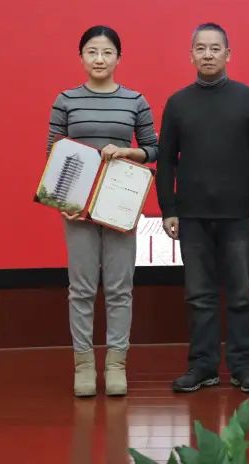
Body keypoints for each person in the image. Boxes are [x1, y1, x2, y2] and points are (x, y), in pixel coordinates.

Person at [157, 23, 249, 394]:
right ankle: (203, 366)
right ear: (191, 55)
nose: (208, 54)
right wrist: (168, 208)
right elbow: (166, 161)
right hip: (191, 216)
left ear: (228, 54)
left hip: (240, 215)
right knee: (199, 296)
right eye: (201, 48)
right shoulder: (177, 103)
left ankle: (243, 367)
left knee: (242, 295)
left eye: (215, 48)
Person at [47, 25, 159, 397]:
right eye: (92, 52)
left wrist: (125, 151)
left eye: (107, 52)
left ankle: (115, 365)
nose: (99, 59)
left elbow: (153, 149)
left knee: (119, 288)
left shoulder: (135, 100)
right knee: (80, 289)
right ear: (81, 57)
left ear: (118, 58)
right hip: (77, 208)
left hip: (119, 204)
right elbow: (54, 153)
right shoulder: (66, 99)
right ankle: (83, 365)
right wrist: (64, 200)